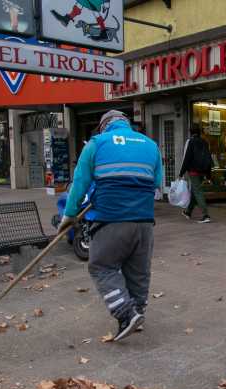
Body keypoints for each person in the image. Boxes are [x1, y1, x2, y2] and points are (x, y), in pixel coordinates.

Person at [60, 110, 163, 342]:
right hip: (145, 223)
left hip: (111, 219)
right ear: (127, 124)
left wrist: (69, 214)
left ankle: (126, 314)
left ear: (104, 126)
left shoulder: (97, 143)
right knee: (138, 272)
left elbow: (80, 182)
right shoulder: (150, 145)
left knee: (101, 266)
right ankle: (138, 315)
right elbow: (157, 182)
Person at [178, 123, 213, 223]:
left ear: (190, 132)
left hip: (193, 171)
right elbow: (208, 158)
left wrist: (181, 173)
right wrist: (209, 175)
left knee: (197, 191)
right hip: (203, 171)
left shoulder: (191, 142)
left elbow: (187, 158)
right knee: (195, 191)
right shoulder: (205, 142)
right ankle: (188, 211)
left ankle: (205, 215)